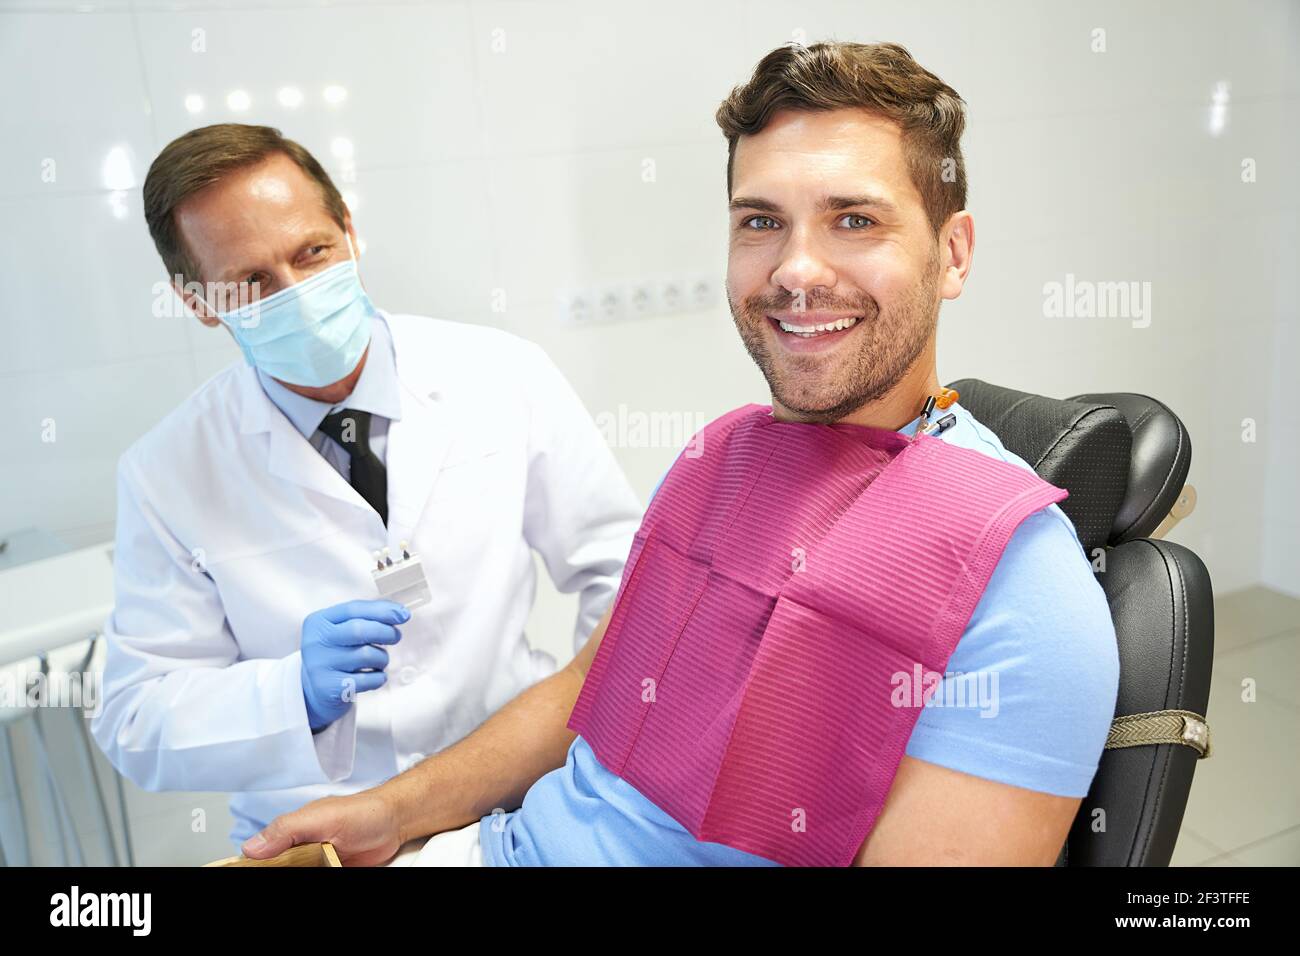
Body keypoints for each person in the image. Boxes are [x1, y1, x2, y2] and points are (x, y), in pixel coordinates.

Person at [243, 41, 1120, 867]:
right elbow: (588, 692)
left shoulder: (1022, 590)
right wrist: (392, 813)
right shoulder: (721, 458)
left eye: (855, 220)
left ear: (952, 253)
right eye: (761, 222)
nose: (797, 270)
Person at [91, 124, 641, 847]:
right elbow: (136, 718)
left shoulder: (502, 373)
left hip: (518, 794)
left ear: (349, 231)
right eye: (251, 281)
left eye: (313, 252)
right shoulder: (168, 471)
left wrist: (595, 733)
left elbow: (627, 578)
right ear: (196, 300)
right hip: (320, 835)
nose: (296, 292)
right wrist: (294, 694)